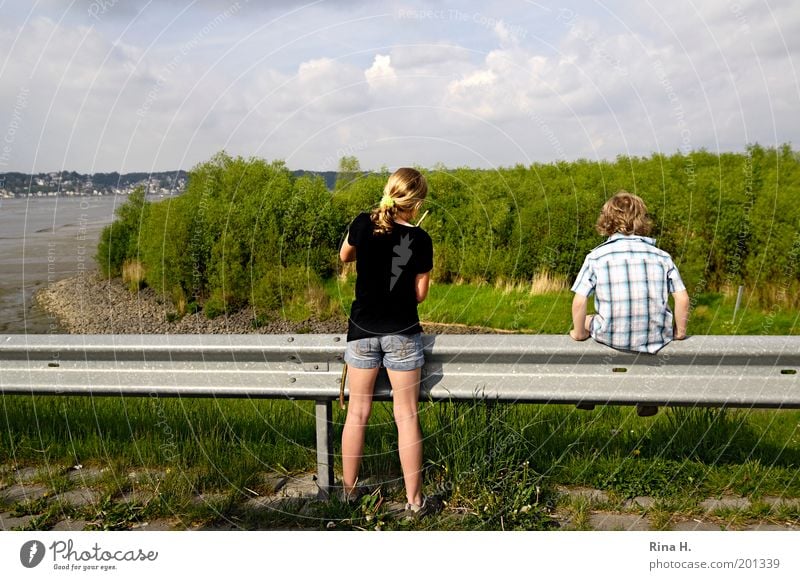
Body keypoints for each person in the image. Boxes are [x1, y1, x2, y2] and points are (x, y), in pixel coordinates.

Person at [339, 167, 434, 516]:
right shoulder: (420, 239)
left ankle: (348, 493)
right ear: (417, 201)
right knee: (406, 415)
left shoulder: (364, 223)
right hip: (402, 332)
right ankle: (414, 502)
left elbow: (344, 256)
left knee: (358, 413)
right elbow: (420, 295)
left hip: (362, 331)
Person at [569, 191, 690, 416]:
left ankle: (589, 391)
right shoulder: (662, 256)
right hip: (655, 335)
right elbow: (682, 298)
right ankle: (645, 397)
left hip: (612, 334)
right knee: (645, 329)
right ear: (642, 220)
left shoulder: (596, 257)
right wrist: (679, 332)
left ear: (607, 221)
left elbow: (579, 301)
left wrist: (579, 333)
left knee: (585, 322)